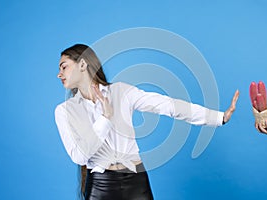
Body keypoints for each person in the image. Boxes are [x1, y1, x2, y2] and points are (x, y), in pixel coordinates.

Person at [54, 44, 240, 200]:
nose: (59, 74)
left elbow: (168, 106)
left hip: (136, 181)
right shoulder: (64, 111)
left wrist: (219, 117)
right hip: (100, 187)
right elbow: (79, 157)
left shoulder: (122, 92)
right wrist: (105, 118)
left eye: (64, 66)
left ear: (83, 64)